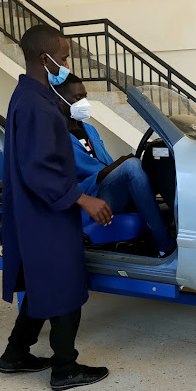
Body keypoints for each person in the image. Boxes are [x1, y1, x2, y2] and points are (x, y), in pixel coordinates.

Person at [0, 24, 113, 391]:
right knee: (66, 286)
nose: (65, 64)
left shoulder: (32, 97)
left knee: (41, 283)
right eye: (62, 57)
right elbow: (39, 169)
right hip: (45, 212)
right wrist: (83, 198)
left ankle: (15, 355)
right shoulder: (35, 105)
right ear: (44, 58)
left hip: (39, 210)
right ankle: (65, 368)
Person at [52, 73, 176, 257]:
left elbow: (107, 165)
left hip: (107, 190)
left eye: (85, 96)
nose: (84, 102)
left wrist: (121, 165)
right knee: (132, 166)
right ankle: (165, 247)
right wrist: (121, 164)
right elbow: (73, 185)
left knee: (156, 163)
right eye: (78, 98)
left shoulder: (89, 129)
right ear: (59, 100)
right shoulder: (55, 138)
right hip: (89, 200)